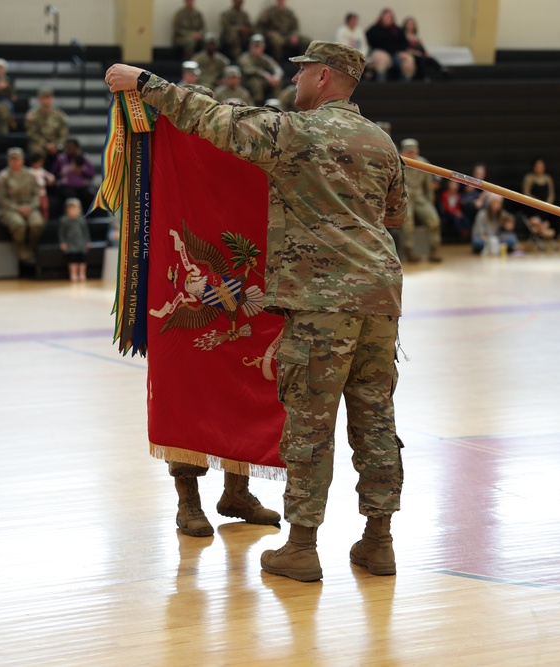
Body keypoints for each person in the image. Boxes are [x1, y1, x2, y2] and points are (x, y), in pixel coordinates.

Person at [105, 39, 406, 582]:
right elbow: (396, 214)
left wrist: (146, 84)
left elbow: (215, 119)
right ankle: (378, 542)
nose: (294, 84)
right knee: (375, 419)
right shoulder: (382, 142)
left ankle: (302, 547)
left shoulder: (296, 133)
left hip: (323, 301)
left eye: (301, 74)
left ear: (321, 77)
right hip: (380, 298)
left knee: (311, 425)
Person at [0, 147, 44, 264]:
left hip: (29, 207)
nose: (14, 162)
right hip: (8, 209)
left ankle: (30, 247)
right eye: (12, 159)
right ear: (8, 161)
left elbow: (37, 195)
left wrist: (30, 207)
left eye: (17, 159)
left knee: (37, 223)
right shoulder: (2, 177)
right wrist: (18, 208)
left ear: (22, 160)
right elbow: (1, 199)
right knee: (19, 224)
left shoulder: (30, 175)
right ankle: (21, 248)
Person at [399, 138, 441, 262]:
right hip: (404, 198)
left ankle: (434, 251)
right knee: (407, 224)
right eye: (409, 152)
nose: (412, 155)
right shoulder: (398, 163)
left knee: (433, 221)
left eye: (414, 152)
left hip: (420, 198)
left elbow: (428, 187)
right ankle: (410, 252)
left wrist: (430, 202)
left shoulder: (423, 163)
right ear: (403, 152)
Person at [365, 9, 411, 82]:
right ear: (382, 18)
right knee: (381, 63)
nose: (388, 19)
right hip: (380, 53)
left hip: (395, 54)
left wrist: (402, 52)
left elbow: (404, 43)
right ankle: (381, 88)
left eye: (390, 17)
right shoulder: (374, 29)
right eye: (386, 17)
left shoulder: (397, 30)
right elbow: (367, 42)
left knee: (407, 64)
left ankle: (405, 88)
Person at [24, 87, 69, 162]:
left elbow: (63, 133)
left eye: (49, 97)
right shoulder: (33, 115)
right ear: (39, 99)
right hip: (40, 144)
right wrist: (46, 145)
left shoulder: (59, 115)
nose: (47, 100)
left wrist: (58, 145)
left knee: (68, 150)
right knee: (37, 152)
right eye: (44, 97)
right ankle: (38, 172)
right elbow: (31, 133)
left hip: (56, 143)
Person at [51, 138, 95, 211]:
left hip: (82, 187)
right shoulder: (61, 159)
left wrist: (82, 170)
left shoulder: (84, 158)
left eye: (72, 148)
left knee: (91, 196)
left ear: (77, 148)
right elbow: (53, 175)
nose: (70, 150)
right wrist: (65, 172)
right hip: (66, 187)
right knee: (71, 197)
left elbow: (91, 175)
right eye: (68, 148)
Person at [238, 34, 283, 105]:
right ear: (250, 46)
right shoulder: (245, 57)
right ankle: (258, 104)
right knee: (256, 83)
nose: (257, 49)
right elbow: (248, 70)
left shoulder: (264, 58)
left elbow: (276, 67)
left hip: (264, 81)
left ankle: (275, 103)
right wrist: (265, 75)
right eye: (255, 46)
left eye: (259, 46)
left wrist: (276, 76)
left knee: (277, 82)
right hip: (247, 81)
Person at [59, 197, 89, 283]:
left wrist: (87, 241)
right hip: (71, 244)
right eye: (71, 209)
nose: (73, 211)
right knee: (73, 259)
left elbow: (86, 232)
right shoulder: (64, 221)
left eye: (75, 208)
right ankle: (73, 274)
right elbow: (61, 233)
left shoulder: (82, 220)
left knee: (82, 259)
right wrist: (63, 242)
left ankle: (82, 274)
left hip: (81, 243)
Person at [401, 16, 440, 81]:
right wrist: (415, 53)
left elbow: (422, 48)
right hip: (410, 55)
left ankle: (441, 70)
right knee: (421, 60)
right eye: (409, 24)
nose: (410, 26)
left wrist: (426, 52)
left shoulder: (416, 37)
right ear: (405, 25)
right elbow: (404, 48)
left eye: (412, 24)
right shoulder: (403, 36)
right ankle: (423, 77)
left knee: (430, 59)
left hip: (420, 54)